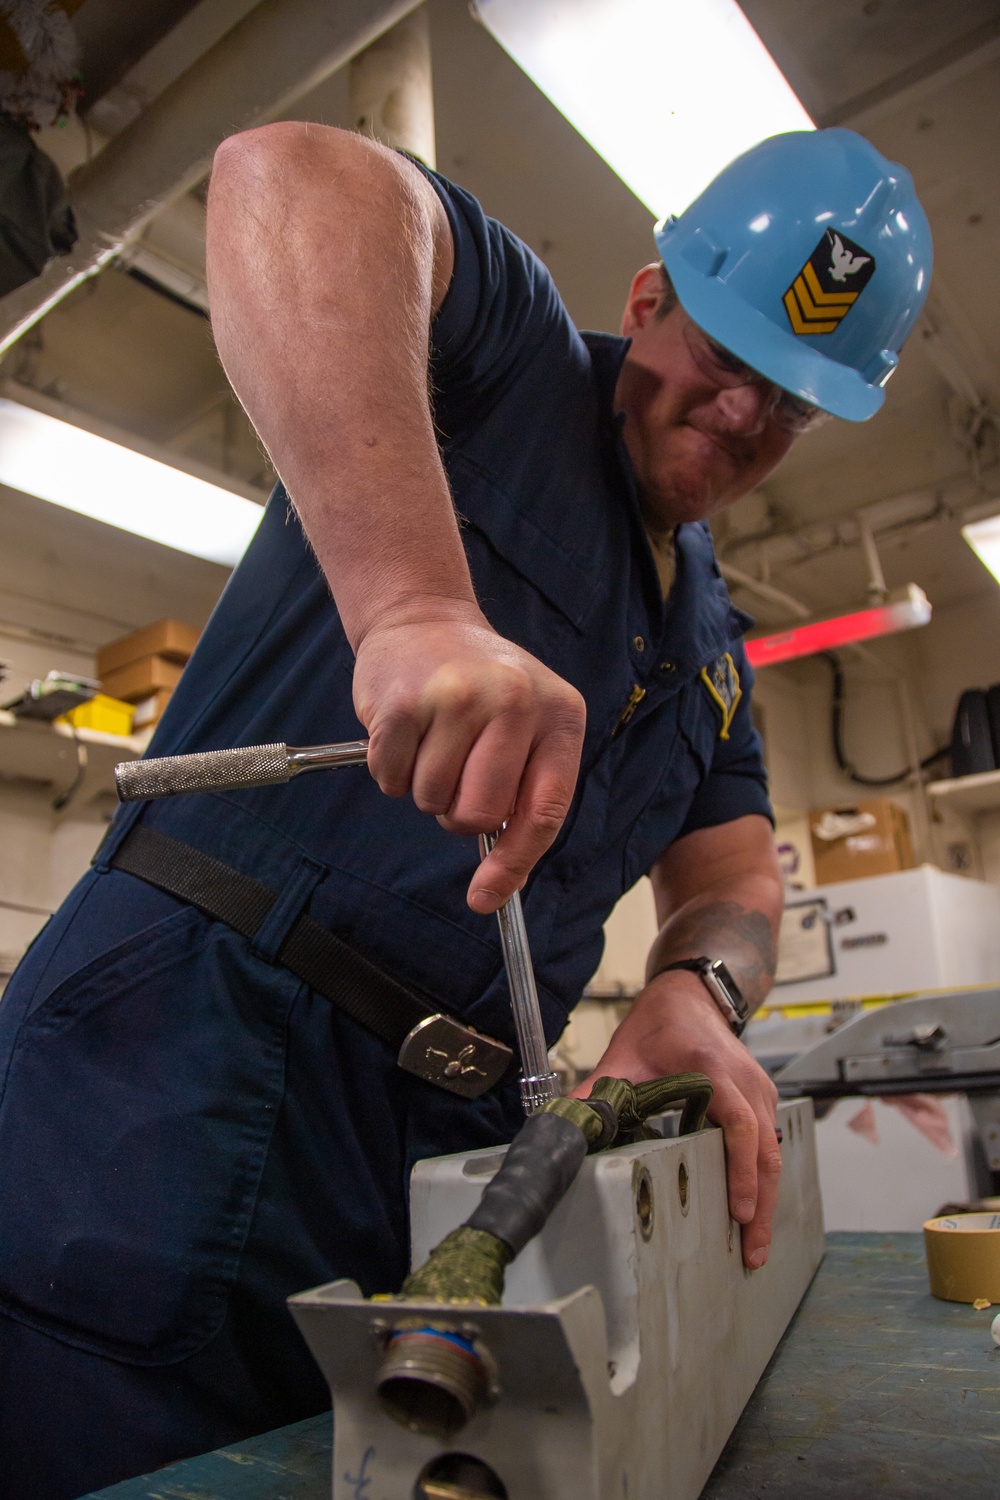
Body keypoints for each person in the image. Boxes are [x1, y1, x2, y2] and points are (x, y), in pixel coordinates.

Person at [0, 123, 931, 1499]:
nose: (745, 417)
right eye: (731, 361)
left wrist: (696, 989)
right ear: (648, 300)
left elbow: (734, 874)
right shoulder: (503, 367)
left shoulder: (713, 650)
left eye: (791, 401)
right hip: (173, 1079)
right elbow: (290, 175)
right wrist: (416, 607)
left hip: (451, 1155)